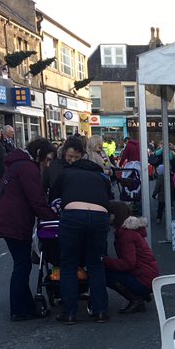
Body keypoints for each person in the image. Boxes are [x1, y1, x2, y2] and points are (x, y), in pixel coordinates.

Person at [48, 134, 114, 324]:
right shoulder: (100, 176)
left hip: (73, 216)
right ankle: (100, 311)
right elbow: (108, 200)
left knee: (69, 264)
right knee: (95, 264)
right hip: (99, 216)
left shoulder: (66, 174)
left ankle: (69, 313)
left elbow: (53, 199)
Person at [0, 137, 57, 321]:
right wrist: (54, 218)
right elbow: (36, 200)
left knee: (22, 264)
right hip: (15, 222)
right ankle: (19, 309)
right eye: (47, 159)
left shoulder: (17, 164)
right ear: (39, 154)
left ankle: (26, 306)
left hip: (8, 220)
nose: (47, 163)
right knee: (22, 266)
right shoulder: (28, 168)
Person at [103, 202, 159, 314]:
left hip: (143, 279)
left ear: (116, 215)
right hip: (148, 276)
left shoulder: (126, 235)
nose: (107, 217)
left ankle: (136, 298)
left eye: (109, 214)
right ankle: (140, 296)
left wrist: (104, 260)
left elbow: (128, 263)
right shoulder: (130, 231)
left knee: (106, 274)